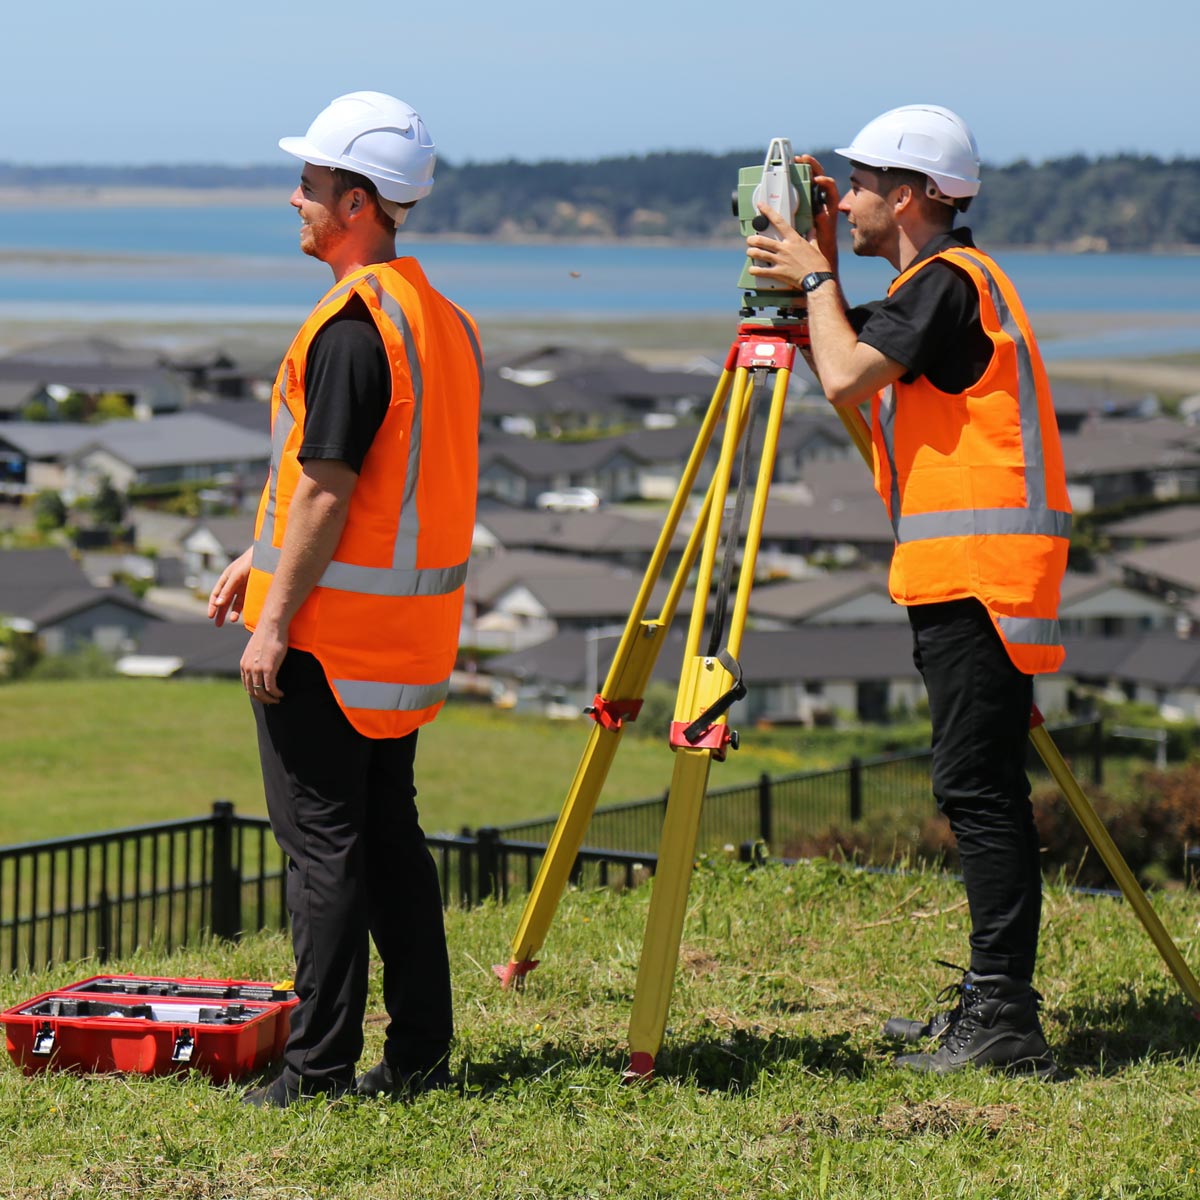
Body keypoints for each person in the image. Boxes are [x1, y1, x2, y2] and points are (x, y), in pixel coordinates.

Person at [746, 104, 1070, 1076]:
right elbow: (856, 362)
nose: (844, 200)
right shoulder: (934, 291)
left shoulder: (944, 286)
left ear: (915, 195)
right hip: (968, 575)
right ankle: (989, 1002)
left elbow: (844, 376)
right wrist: (826, 280)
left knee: (979, 793)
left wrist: (810, 276)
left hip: (981, 578)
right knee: (978, 788)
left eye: (862, 184)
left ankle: (1004, 1020)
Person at [207, 91, 482, 1107]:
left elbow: (332, 484)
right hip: (403, 636)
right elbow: (343, 484)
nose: (297, 198)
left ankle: (315, 1071)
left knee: (322, 851)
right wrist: (259, 556)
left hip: (329, 637)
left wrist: (273, 621)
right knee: (389, 840)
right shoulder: (437, 320)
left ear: (358, 201)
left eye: (312, 185)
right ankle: (417, 1054)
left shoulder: (355, 328)